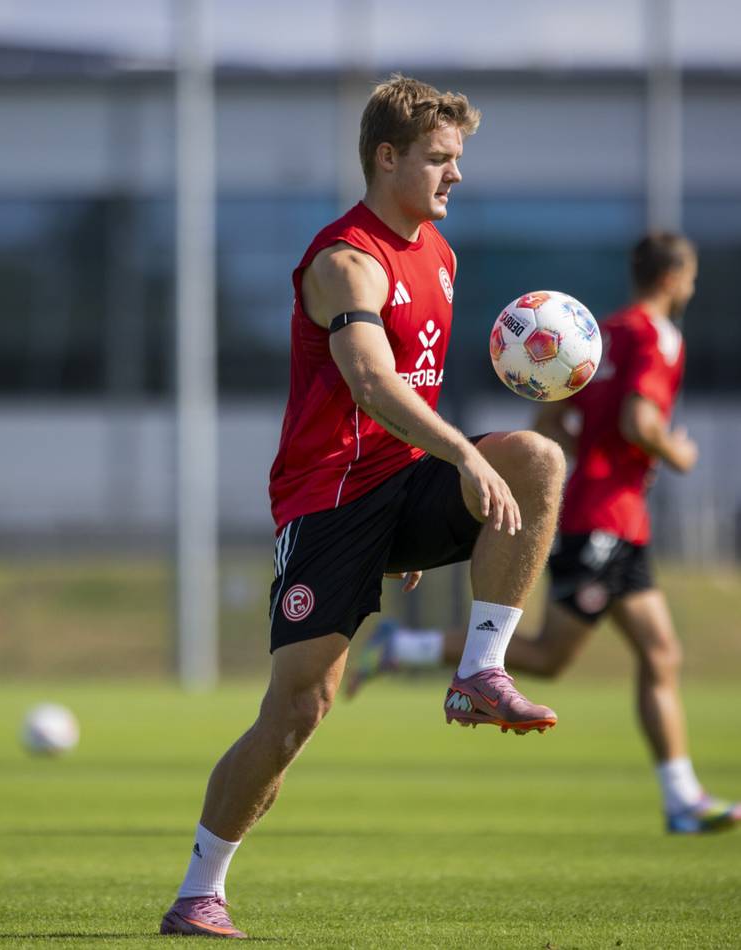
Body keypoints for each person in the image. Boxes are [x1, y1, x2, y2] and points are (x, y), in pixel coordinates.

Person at [160, 75, 566, 939]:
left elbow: (406, 398)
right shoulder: (345, 259)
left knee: (534, 457)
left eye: (458, 160)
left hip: (401, 482)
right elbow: (372, 381)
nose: (456, 176)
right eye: (440, 160)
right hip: (328, 504)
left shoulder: (442, 257)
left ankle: (478, 673)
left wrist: (428, 485)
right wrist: (457, 452)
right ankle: (201, 890)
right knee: (298, 710)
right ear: (388, 158)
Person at [347, 232, 741, 835]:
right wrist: (675, 453)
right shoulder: (655, 337)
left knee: (661, 653)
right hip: (601, 520)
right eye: (689, 278)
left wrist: (600, 454)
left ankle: (682, 798)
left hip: (611, 514)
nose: (691, 288)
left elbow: (548, 418)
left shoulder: (595, 332)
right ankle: (408, 648)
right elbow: (640, 420)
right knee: (549, 657)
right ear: (672, 278)